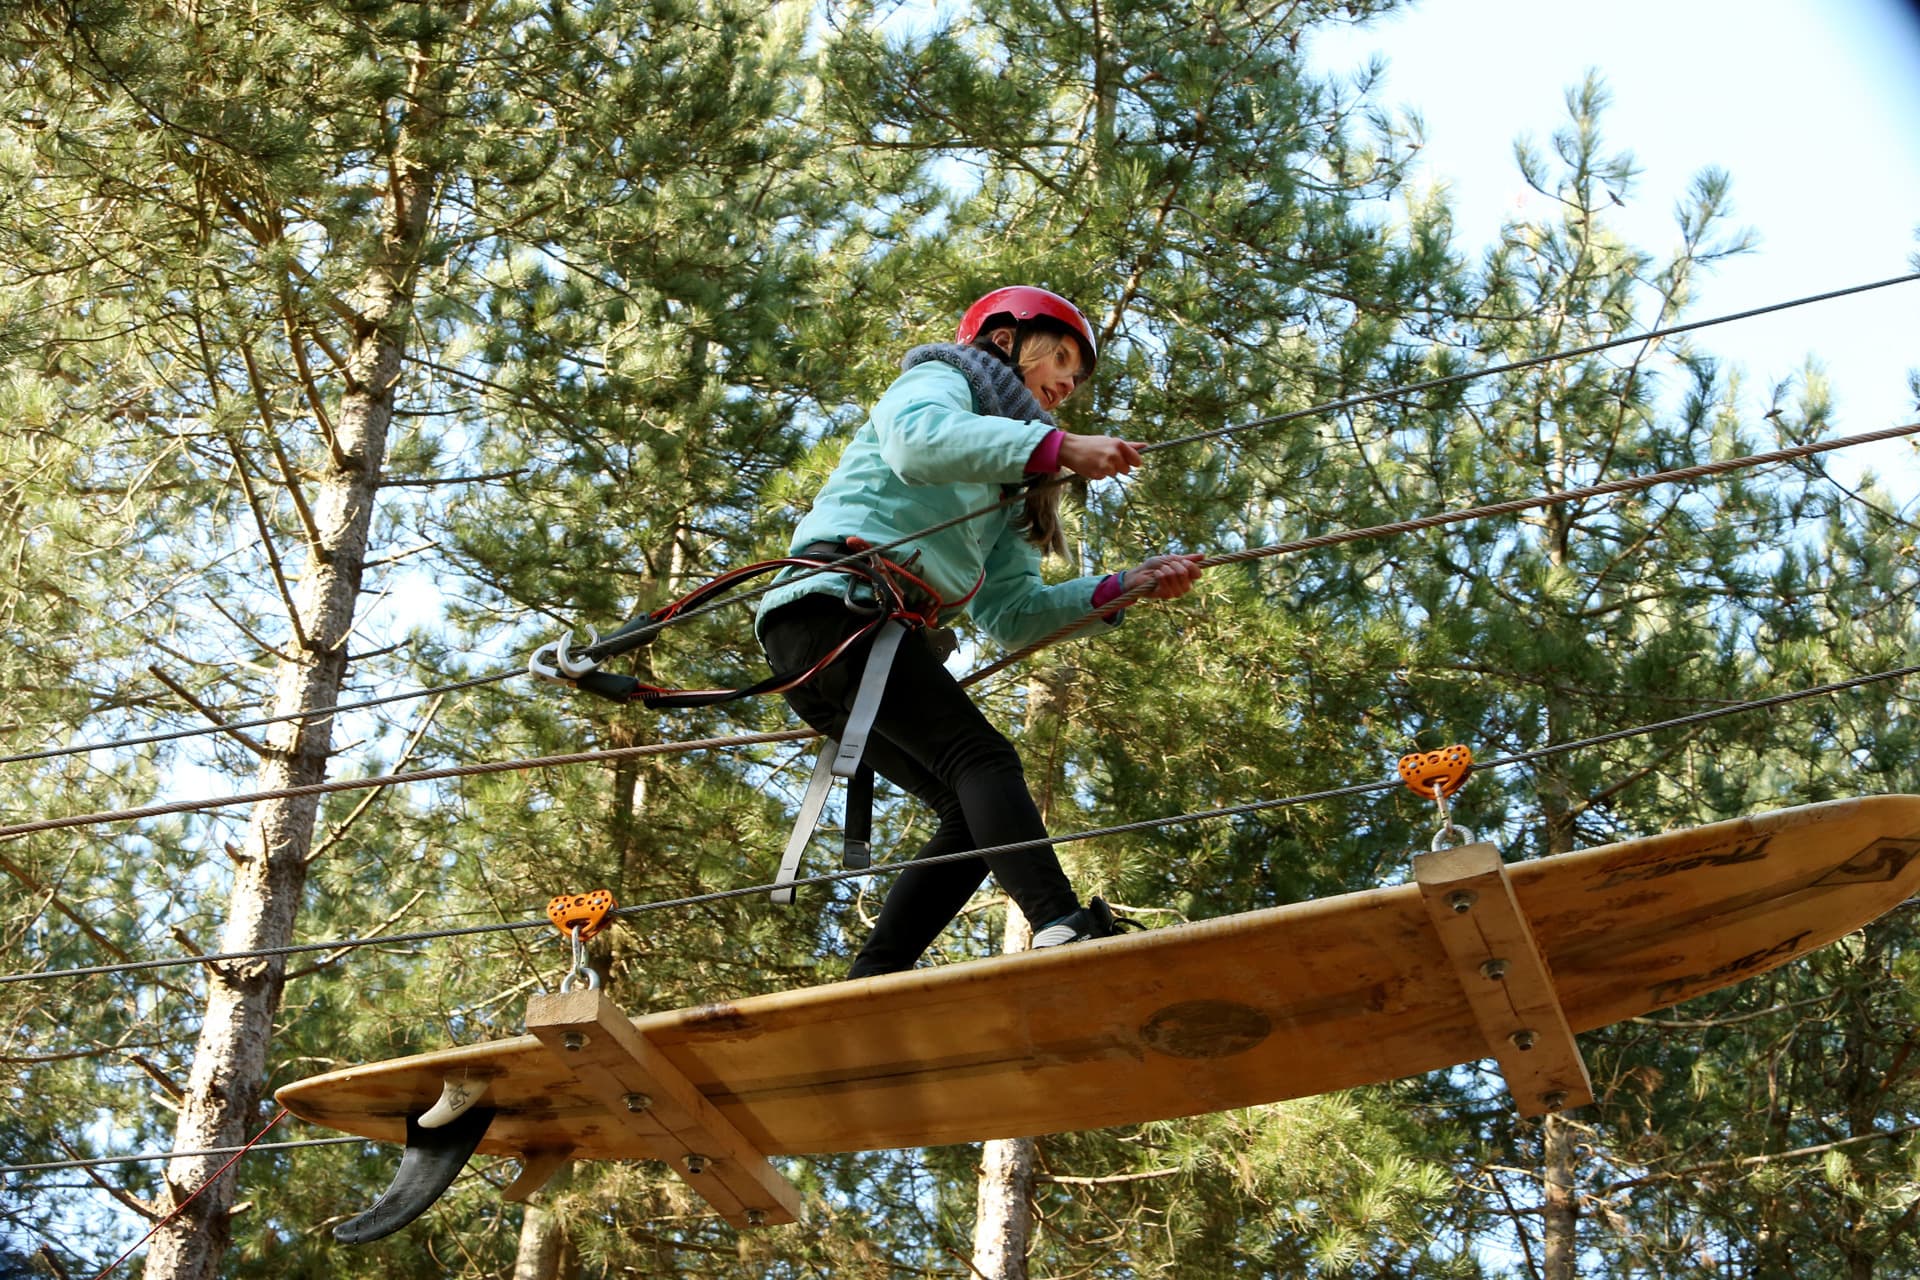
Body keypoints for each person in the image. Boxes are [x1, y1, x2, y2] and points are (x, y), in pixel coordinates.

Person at [756, 285, 1205, 978]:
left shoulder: (1007, 483)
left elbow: (1013, 612)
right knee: (984, 762)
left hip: (848, 643)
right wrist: (1056, 447)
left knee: (968, 814)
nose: (1066, 383)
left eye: (1076, 379)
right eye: (1059, 358)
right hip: (837, 608)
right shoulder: (940, 379)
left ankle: (875, 978)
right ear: (1005, 341)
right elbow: (917, 444)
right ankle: (1059, 921)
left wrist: (1125, 585)